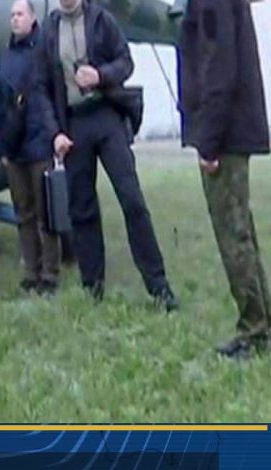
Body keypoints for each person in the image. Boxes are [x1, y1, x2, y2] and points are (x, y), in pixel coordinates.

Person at [34, 0, 179, 310]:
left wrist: (100, 75)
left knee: (132, 200)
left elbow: (125, 62)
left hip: (106, 116)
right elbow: (41, 88)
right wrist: (55, 133)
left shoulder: (101, 20)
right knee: (82, 209)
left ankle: (158, 286)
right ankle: (93, 287)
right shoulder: (48, 31)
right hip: (74, 125)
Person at [177, 0, 271, 359]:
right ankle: (262, 322)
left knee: (233, 236)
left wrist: (209, 140)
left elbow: (219, 66)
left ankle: (253, 331)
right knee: (242, 232)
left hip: (226, 135)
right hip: (231, 130)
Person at [0, 0, 61, 296]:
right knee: (23, 213)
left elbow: (54, 94)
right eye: (12, 15)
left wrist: (56, 135)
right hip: (15, 147)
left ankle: (50, 274)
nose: (15, 19)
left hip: (40, 143)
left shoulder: (44, 51)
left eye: (20, 14)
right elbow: (0, 105)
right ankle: (31, 272)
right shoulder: (5, 56)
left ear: (33, 18)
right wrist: (2, 148)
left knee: (46, 212)